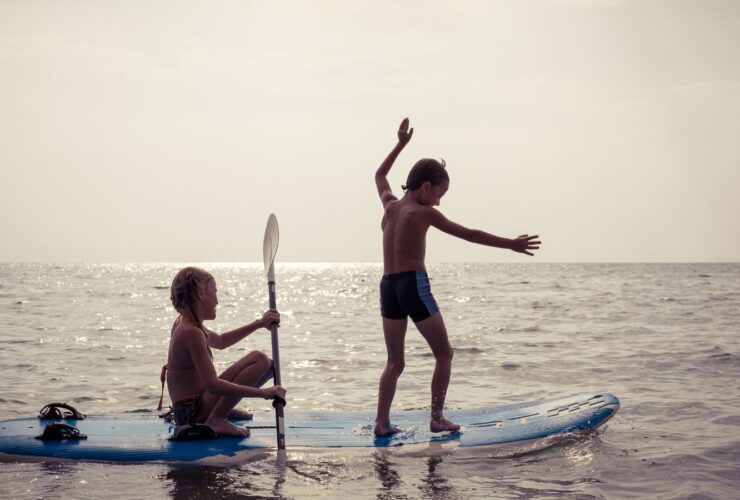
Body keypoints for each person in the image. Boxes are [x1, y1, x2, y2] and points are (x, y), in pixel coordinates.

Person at [373, 118, 541, 436]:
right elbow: (470, 235)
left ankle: (382, 423)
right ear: (426, 187)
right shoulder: (424, 212)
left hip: (388, 287)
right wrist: (512, 245)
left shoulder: (390, 206)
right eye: (440, 193)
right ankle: (436, 419)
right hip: (413, 285)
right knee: (444, 353)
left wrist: (400, 144)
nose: (440, 200)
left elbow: (380, 175)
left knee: (395, 362)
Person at [159, 266, 286, 437]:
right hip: (191, 413)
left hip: (197, 403)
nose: (217, 301)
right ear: (200, 294)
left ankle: (220, 410)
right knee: (260, 360)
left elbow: (221, 341)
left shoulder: (188, 323)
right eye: (215, 292)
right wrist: (263, 393)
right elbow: (213, 385)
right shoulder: (190, 332)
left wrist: (259, 323)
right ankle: (216, 418)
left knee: (267, 364)